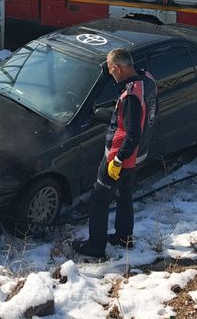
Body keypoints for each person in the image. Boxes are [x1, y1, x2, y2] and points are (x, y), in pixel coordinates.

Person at [72, 48, 158, 259]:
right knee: (124, 194)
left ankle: (96, 247)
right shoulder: (147, 79)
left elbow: (132, 134)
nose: (110, 74)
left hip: (120, 158)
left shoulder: (130, 96)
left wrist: (117, 160)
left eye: (111, 70)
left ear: (118, 68)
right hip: (138, 154)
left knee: (98, 200)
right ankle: (123, 237)